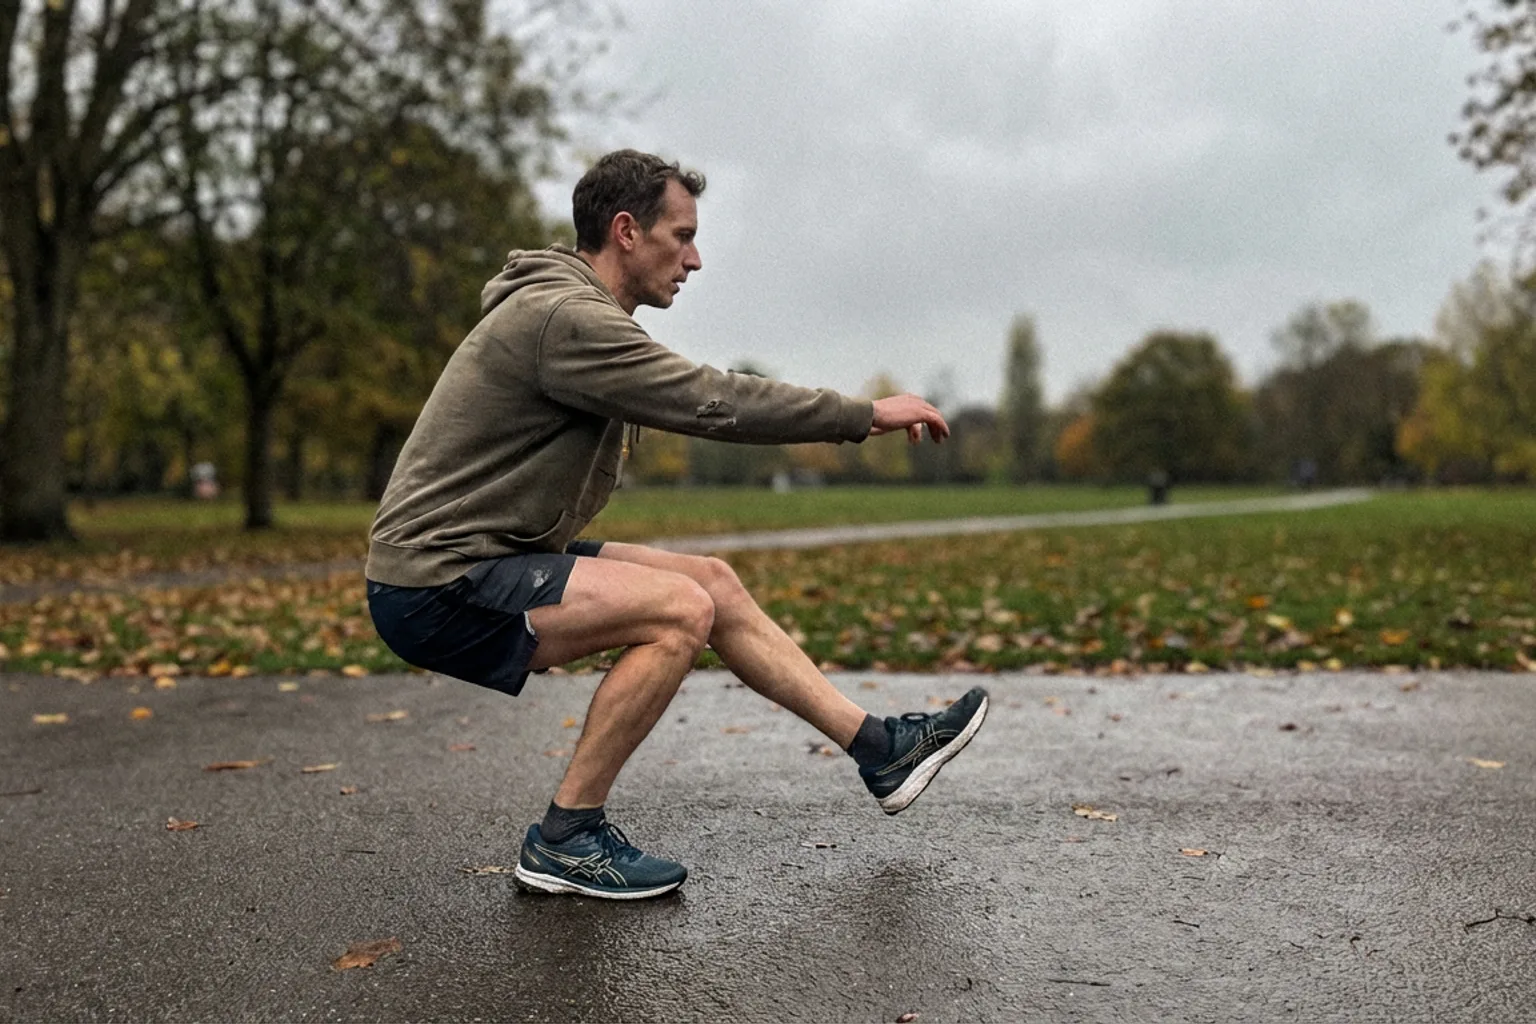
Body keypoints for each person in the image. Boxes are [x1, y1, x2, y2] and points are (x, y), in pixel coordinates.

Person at [365, 149, 989, 900]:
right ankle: (567, 837)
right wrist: (863, 415)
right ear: (626, 231)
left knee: (710, 584)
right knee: (678, 612)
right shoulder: (565, 319)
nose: (694, 259)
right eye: (681, 236)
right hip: (438, 580)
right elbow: (711, 401)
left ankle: (881, 749)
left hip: (495, 555)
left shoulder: (573, 311)